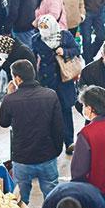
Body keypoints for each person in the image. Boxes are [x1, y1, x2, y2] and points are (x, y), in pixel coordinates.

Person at [0, 59, 63, 203]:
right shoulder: (50, 95)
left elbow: (3, 122)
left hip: (22, 158)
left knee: (20, 202)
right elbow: (58, 128)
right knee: (53, 200)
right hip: (47, 155)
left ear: (17, 78)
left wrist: (8, 96)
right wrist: (56, 151)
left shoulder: (11, 99)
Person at [32, 14, 81, 153]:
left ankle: (69, 142)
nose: (43, 30)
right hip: (46, 80)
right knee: (48, 112)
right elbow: (33, 56)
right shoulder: (36, 39)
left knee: (66, 110)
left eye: (46, 27)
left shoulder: (64, 36)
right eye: (41, 27)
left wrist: (64, 51)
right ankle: (51, 143)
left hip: (64, 79)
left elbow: (77, 50)